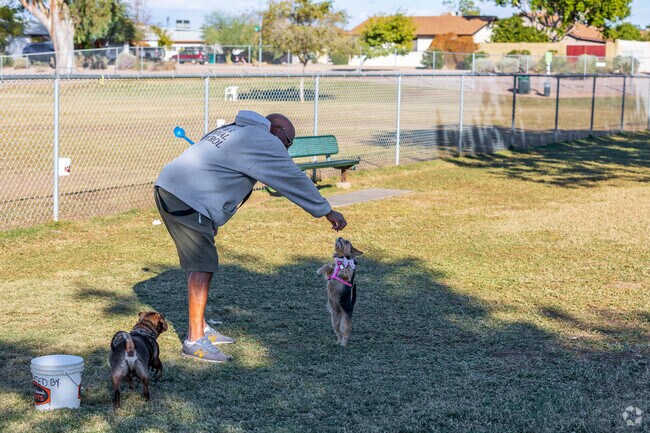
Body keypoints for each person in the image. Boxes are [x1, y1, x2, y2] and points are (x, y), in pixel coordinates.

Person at [154, 110, 347, 363]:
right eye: (287, 143)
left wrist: (210, 216)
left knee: (199, 262)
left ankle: (201, 329)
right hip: (185, 196)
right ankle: (194, 340)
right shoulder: (263, 139)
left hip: (173, 190)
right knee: (203, 265)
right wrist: (326, 211)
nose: (285, 151)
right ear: (277, 132)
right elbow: (292, 178)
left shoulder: (237, 130)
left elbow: (217, 170)